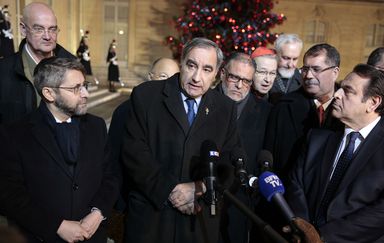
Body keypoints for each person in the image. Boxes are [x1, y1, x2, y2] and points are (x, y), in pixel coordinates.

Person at [121, 37, 240, 243]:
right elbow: (134, 152)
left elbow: (229, 162)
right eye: (191, 65)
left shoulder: (225, 108)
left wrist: (199, 187)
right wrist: (170, 191)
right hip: (152, 217)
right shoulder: (146, 95)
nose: (196, 77)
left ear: (217, 74)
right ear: (182, 62)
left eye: (207, 69)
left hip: (198, 222)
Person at [286, 64, 384, 242]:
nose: (336, 94)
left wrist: (323, 236)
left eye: (347, 91)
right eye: (340, 87)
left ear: (373, 103)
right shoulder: (317, 138)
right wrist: (303, 227)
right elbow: (295, 184)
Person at [0, 57, 120, 243]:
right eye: (75, 88)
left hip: (93, 235)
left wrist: (98, 212)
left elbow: (111, 176)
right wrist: (57, 226)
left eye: (84, 85)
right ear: (49, 93)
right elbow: (10, 195)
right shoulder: (15, 134)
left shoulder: (97, 126)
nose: (86, 93)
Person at [108, 56, 180, 211]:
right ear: (150, 77)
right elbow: (114, 159)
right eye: (162, 77)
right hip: (132, 200)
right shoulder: (126, 110)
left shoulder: (179, 114)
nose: (167, 83)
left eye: (173, 78)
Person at [216, 52, 272, 243]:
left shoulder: (266, 112)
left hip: (241, 205)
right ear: (223, 73)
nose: (239, 86)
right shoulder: (203, 101)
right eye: (234, 77)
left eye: (246, 81)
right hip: (203, 197)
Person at [265, 43, 344, 174]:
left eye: (316, 69)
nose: (308, 76)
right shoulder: (283, 107)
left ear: (335, 72)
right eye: (305, 69)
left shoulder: (349, 110)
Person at [0, 2, 75, 124]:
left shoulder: (73, 66)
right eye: (39, 29)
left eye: (52, 29)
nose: (47, 36)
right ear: (23, 29)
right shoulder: (3, 71)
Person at [269, 33, 303, 103]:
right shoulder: (266, 77)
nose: (290, 65)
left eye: (295, 59)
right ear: (276, 54)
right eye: (286, 58)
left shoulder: (303, 80)